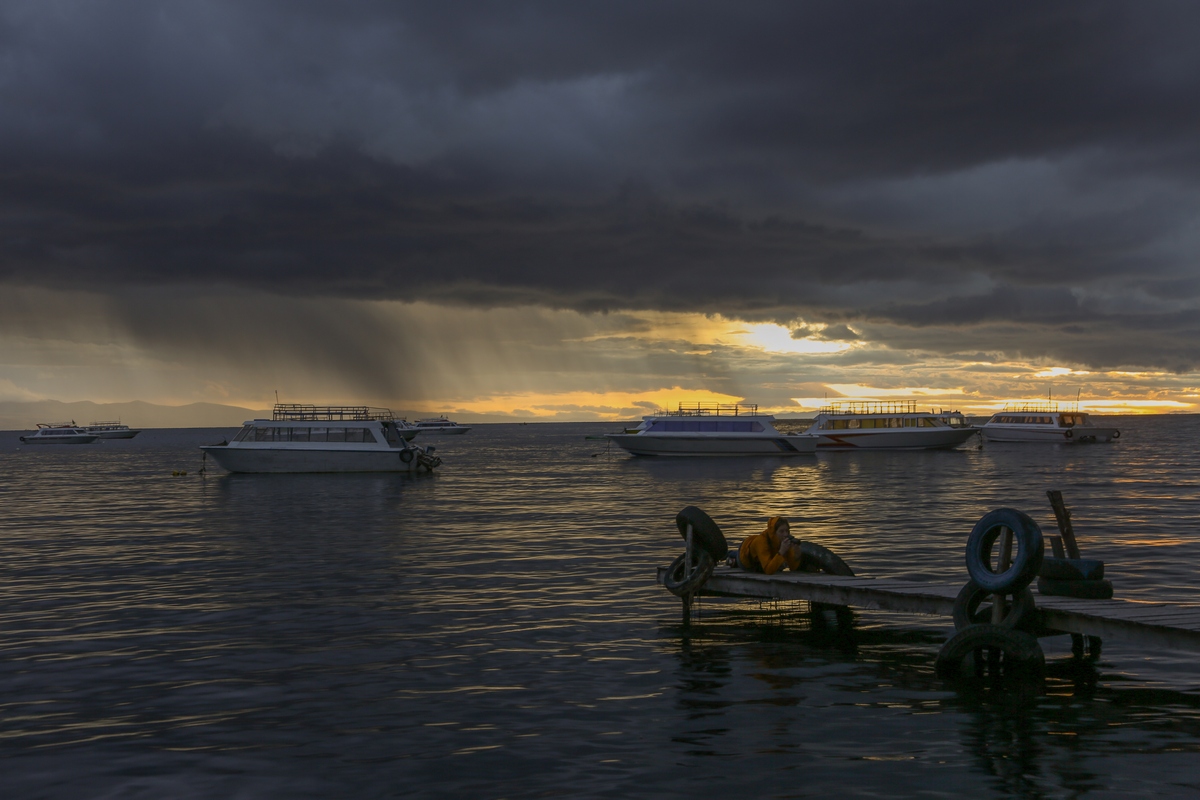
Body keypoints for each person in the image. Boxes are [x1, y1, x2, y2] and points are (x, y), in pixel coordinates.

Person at [737, 516, 802, 574]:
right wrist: (781, 552)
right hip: (746, 558)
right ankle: (732, 556)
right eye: (781, 531)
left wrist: (797, 556)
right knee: (736, 559)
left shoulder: (785, 541)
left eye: (787, 531)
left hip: (766, 557)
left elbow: (793, 568)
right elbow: (768, 571)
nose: (785, 534)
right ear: (774, 532)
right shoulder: (761, 542)